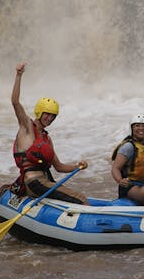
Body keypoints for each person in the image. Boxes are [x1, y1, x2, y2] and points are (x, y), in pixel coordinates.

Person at [11, 62, 89, 205]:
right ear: (40, 112)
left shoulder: (47, 139)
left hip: (44, 181)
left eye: (53, 116)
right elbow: (15, 102)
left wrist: (78, 166)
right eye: (47, 114)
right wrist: (18, 75)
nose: (50, 118)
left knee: (73, 199)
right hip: (34, 182)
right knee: (81, 199)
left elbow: (59, 167)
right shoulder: (27, 126)